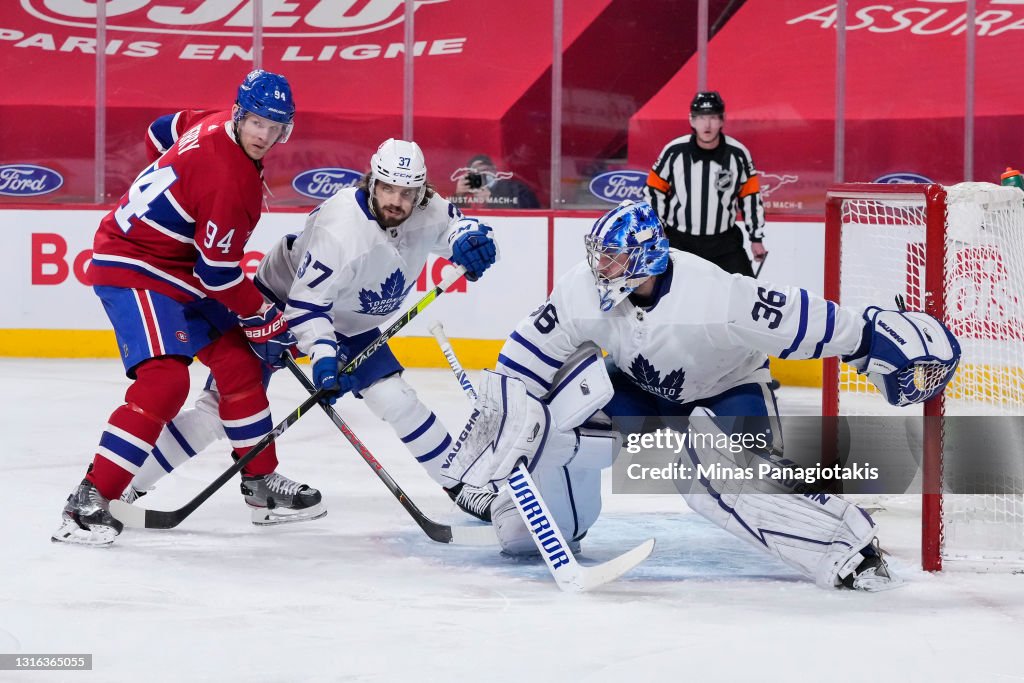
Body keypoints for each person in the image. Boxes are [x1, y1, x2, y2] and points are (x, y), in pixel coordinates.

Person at [441, 200, 961, 591]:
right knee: (557, 418)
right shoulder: (582, 291)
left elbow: (800, 318)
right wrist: (512, 408)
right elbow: (525, 356)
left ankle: (846, 549)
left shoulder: (714, 294)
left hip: (728, 393)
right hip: (641, 393)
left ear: (644, 257)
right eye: (600, 257)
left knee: (713, 476)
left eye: (615, 259)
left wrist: (867, 338)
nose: (602, 268)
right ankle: (544, 518)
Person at [121, 138, 501, 522]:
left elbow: (457, 226)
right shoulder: (341, 231)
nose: (396, 201)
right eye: (387, 188)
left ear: (421, 191)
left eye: (407, 193)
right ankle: (127, 484)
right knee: (222, 409)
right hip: (280, 306)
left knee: (397, 399)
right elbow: (308, 306)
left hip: (351, 320)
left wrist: (469, 241)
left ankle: (463, 486)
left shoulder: (425, 207)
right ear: (371, 181)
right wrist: (324, 359)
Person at [53, 70, 315, 546]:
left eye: (274, 127)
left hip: (177, 264)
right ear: (240, 114)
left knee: (240, 365)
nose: (263, 134)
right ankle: (88, 499)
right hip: (134, 262)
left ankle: (260, 485)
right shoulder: (229, 182)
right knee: (166, 380)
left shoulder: (213, 121)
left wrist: (173, 192)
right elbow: (219, 274)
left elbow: (161, 131)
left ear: (286, 128)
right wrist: (262, 316)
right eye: (256, 121)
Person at [645, 91, 766, 277]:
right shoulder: (674, 151)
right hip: (679, 241)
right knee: (665, 294)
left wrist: (756, 238)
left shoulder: (738, 154)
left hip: (724, 244)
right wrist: (657, 230)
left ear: (722, 120)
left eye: (712, 117)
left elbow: (750, 197)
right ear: (692, 120)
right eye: (701, 117)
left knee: (747, 293)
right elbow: (653, 191)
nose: (707, 124)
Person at [451, 154, 540, 209]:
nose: (482, 176)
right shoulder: (466, 191)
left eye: (485, 170)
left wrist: (492, 199)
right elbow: (451, 217)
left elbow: (527, 212)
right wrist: (458, 196)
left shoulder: (515, 188)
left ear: (494, 169)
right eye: (477, 173)